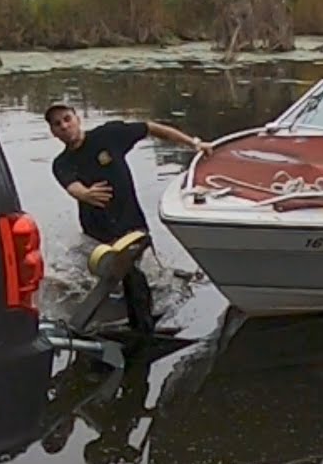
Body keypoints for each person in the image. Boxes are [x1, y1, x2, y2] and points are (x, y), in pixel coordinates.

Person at [45, 102, 213, 333]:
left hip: (131, 226)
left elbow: (151, 127)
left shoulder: (109, 135)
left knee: (135, 276)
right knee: (100, 280)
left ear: (77, 118)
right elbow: (72, 187)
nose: (64, 126)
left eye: (67, 119)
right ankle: (118, 321)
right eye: (57, 124)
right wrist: (85, 193)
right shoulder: (61, 163)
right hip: (97, 235)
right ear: (53, 132)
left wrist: (193, 143)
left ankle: (143, 329)